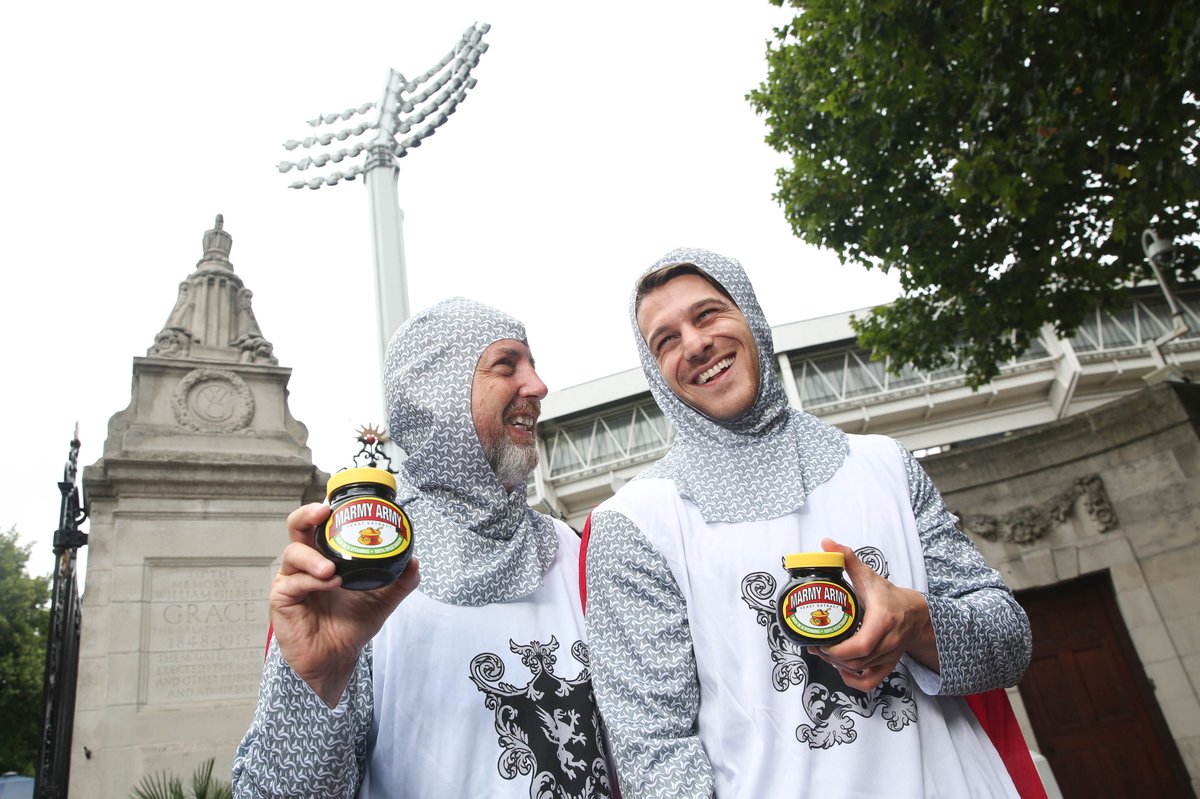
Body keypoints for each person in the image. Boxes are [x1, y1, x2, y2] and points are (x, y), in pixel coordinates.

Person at [583, 248, 1035, 798]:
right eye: (666, 340)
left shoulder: (886, 466)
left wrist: (916, 623)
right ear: (655, 371)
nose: (695, 344)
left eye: (708, 314)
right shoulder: (634, 523)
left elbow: (1011, 645)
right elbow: (652, 747)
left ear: (750, 315)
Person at [233, 297, 615, 798]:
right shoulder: (354, 573)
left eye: (533, 364)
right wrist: (315, 686)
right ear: (439, 393)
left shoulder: (571, 550)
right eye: (506, 365)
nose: (539, 386)